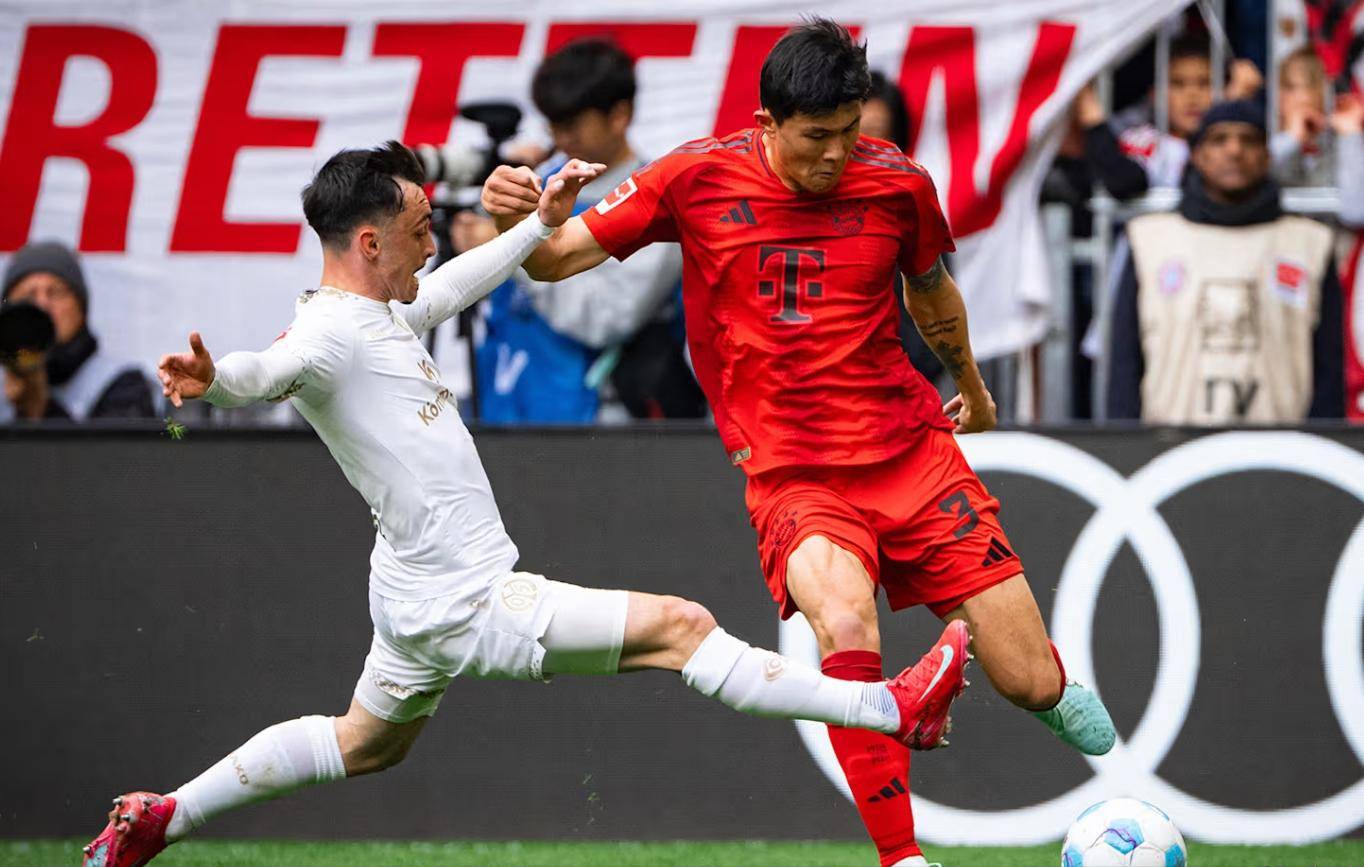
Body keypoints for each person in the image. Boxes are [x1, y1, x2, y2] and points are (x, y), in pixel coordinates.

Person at [81, 141, 969, 867]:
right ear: (370, 243)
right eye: (420, 232)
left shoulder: (380, 311)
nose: (431, 246)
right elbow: (265, 370)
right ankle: (889, 709)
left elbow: (458, 283)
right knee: (683, 627)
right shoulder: (324, 334)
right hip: (463, 598)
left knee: (365, 742)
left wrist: (540, 225)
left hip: (410, 587)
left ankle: (163, 815)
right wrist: (214, 380)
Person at [482, 20, 1114, 867]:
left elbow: (930, 289)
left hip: (912, 453)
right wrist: (521, 220)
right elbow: (553, 261)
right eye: (818, 137)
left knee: (1028, 680)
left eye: (850, 131)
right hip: (793, 475)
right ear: (767, 122)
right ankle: (903, 859)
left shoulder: (897, 182)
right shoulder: (693, 177)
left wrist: (970, 381)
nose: (837, 154)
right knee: (845, 617)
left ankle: (1049, 681)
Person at [476, 38, 698, 422]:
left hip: (594, 430)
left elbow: (604, 319)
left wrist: (509, 247)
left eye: (571, 125)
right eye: (552, 125)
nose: (560, 139)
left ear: (620, 115)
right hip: (505, 411)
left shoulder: (655, 204)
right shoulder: (530, 185)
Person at [1107, 101, 1345, 423]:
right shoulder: (1150, 240)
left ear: (1267, 156)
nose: (1234, 151)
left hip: (1282, 443)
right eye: (1219, 140)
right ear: (1197, 155)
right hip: (1170, 442)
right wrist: (1125, 441)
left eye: (1248, 140)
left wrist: (1321, 441)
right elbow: (1125, 360)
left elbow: (1329, 363)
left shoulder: (1308, 243)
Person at [0, 241, 156, 422]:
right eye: (28, 296)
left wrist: (39, 406)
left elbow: (114, 440)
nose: (42, 305)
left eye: (55, 293)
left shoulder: (123, 385)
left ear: (81, 309)